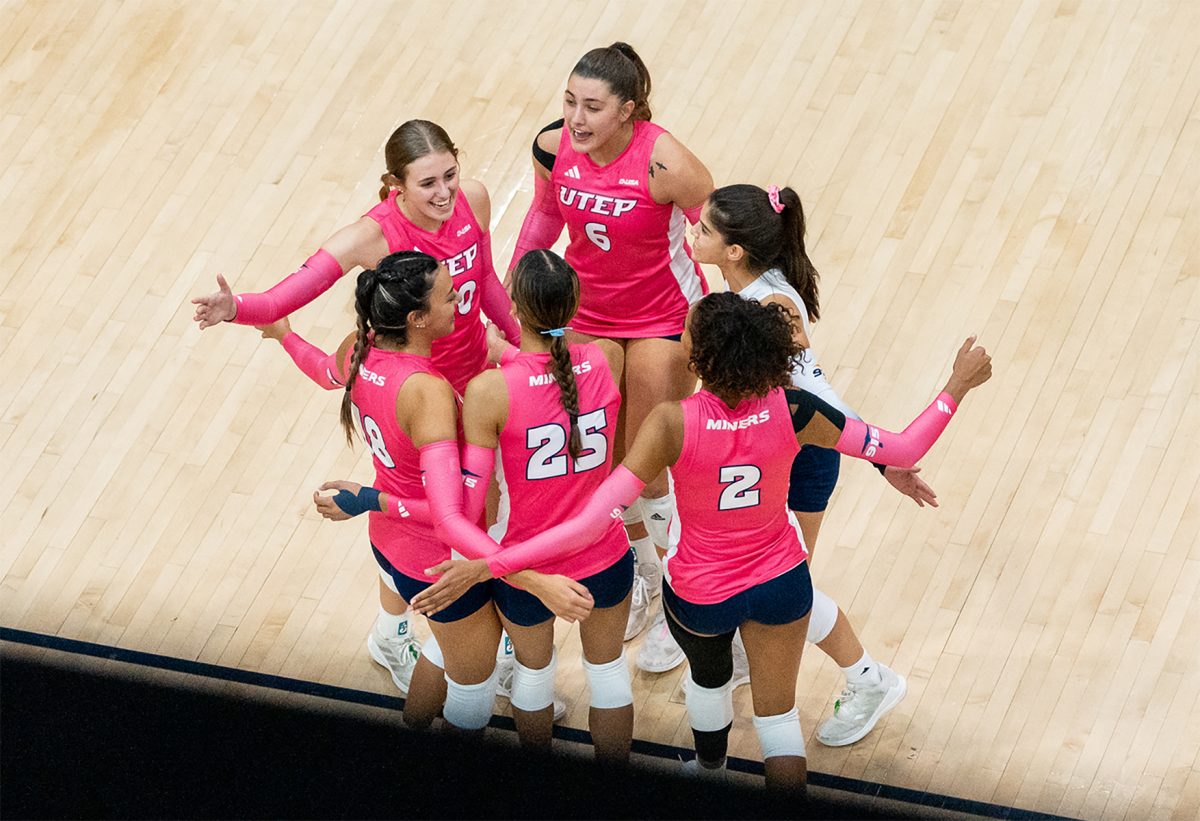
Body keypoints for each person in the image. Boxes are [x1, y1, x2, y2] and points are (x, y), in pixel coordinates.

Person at [412, 292, 992, 790]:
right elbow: (903, 449)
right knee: (778, 719)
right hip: (781, 580)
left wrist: (492, 565)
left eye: (686, 333)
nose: (681, 337)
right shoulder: (796, 410)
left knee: (708, 682)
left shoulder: (670, 422)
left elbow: (591, 522)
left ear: (702, 356)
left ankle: (711, 773)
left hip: (700, 591)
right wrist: (957, 386)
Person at [191, 120, 522, 693]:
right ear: (395, 185)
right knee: (450, 513)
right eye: (427, 184)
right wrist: (237, 306)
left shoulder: (474, 200)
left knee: (471, 508)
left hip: (478, 382)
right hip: (420, 400)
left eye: (450, 174)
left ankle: (399, 629)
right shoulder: (370, 236)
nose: (444, 193)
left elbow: (488, 283)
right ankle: (443, 639)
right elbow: (283, 295)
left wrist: (525, 347)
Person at [269, 250, 592, 731]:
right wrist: (366, 498)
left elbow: (323, 371)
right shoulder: (426, 392)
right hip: (439, 560)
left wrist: (283, 334)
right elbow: (451, 512)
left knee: (444, 650)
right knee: (472, 685)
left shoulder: (361, 344)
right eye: (449, 296)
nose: (461, 300)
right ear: (418, 320)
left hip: (391, 544)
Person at [690, 182, 931, 746]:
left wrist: (878, 460)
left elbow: (817, 399)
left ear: (734, 251)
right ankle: (748, 652)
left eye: (703, 229)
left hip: (800, 459)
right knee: (762, 583)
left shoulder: (772, 307)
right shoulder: (738, 289)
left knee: (784, 588)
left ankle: (871, 679)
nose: (691, 232)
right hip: (760, 452)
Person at [508, 42, 714, 672]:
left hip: (662, 318)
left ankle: (678, 597)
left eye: (592, 106)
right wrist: (512, 293)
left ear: (628, 110)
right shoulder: (552, 147)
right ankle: (642, 578)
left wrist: (738, 327)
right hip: (587, 314)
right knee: (594, 459)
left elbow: (721, 240)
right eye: (569, 101)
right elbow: (544, 216)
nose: (576, 117)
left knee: (647, 464)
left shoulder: (668, 162)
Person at [452, 249, 634, 760]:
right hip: (605, 555)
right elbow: (557, 370)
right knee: (610, 675)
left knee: (533, 676)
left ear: (512, 305)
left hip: (526, 562)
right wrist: (512, 354)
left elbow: (469, 506)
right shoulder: (608, 358)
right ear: (574, 305)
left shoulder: (489, 390)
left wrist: (503, 355)